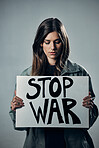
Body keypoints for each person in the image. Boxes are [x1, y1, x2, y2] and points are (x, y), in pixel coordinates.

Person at [9, 18, 98, 148]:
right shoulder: (27, 77)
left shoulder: (79, 73)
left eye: (57, 42)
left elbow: (88, 121)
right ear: (40, 43)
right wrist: (16, 109)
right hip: (39, 143)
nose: (53, 47)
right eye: (47, 42)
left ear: (64, 43)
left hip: (74, 143)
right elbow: (20, 125)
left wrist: (89, 108)